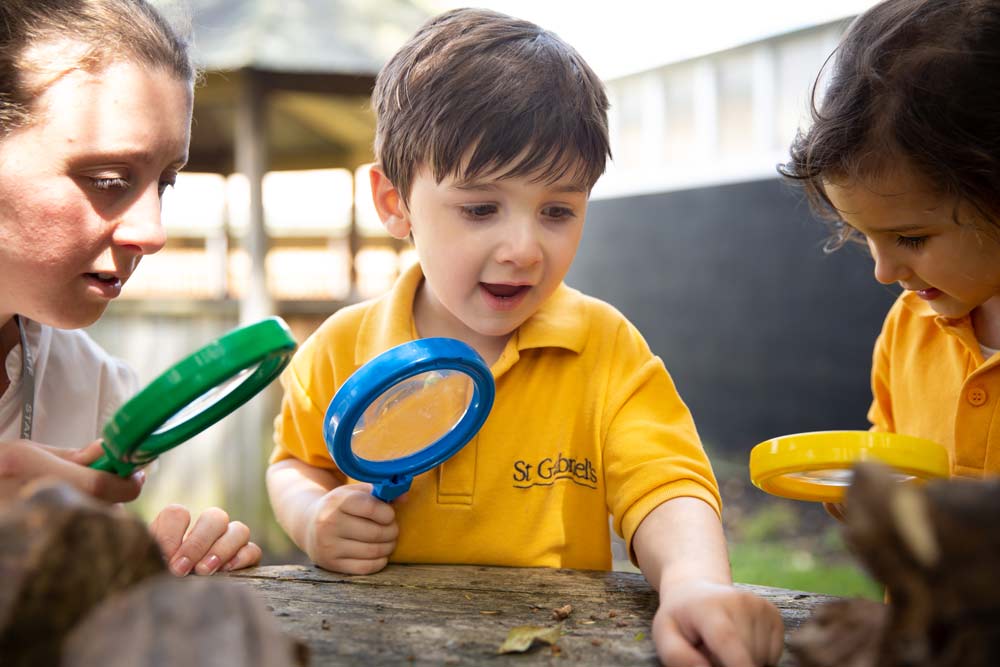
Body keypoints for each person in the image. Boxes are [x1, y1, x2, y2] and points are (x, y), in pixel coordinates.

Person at [266, 9, 784, 667]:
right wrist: (312, 515)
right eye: (481, 208)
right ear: (394, 201)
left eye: (558, 210)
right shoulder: (342, 347)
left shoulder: (604, 347)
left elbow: (667, 485)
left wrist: (695, 583)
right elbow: (295, 462)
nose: (523, 248)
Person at [0, 0, 261, 577]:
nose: (154, 232)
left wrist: (139, 580)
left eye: (164, 183)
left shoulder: (98, 393)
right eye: (110, 180)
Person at [779, 0, 1000, 487]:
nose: (884, 272)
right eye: (862, 235)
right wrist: (877, 506)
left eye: (910, 238)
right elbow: (893, 459)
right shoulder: (907, 330)